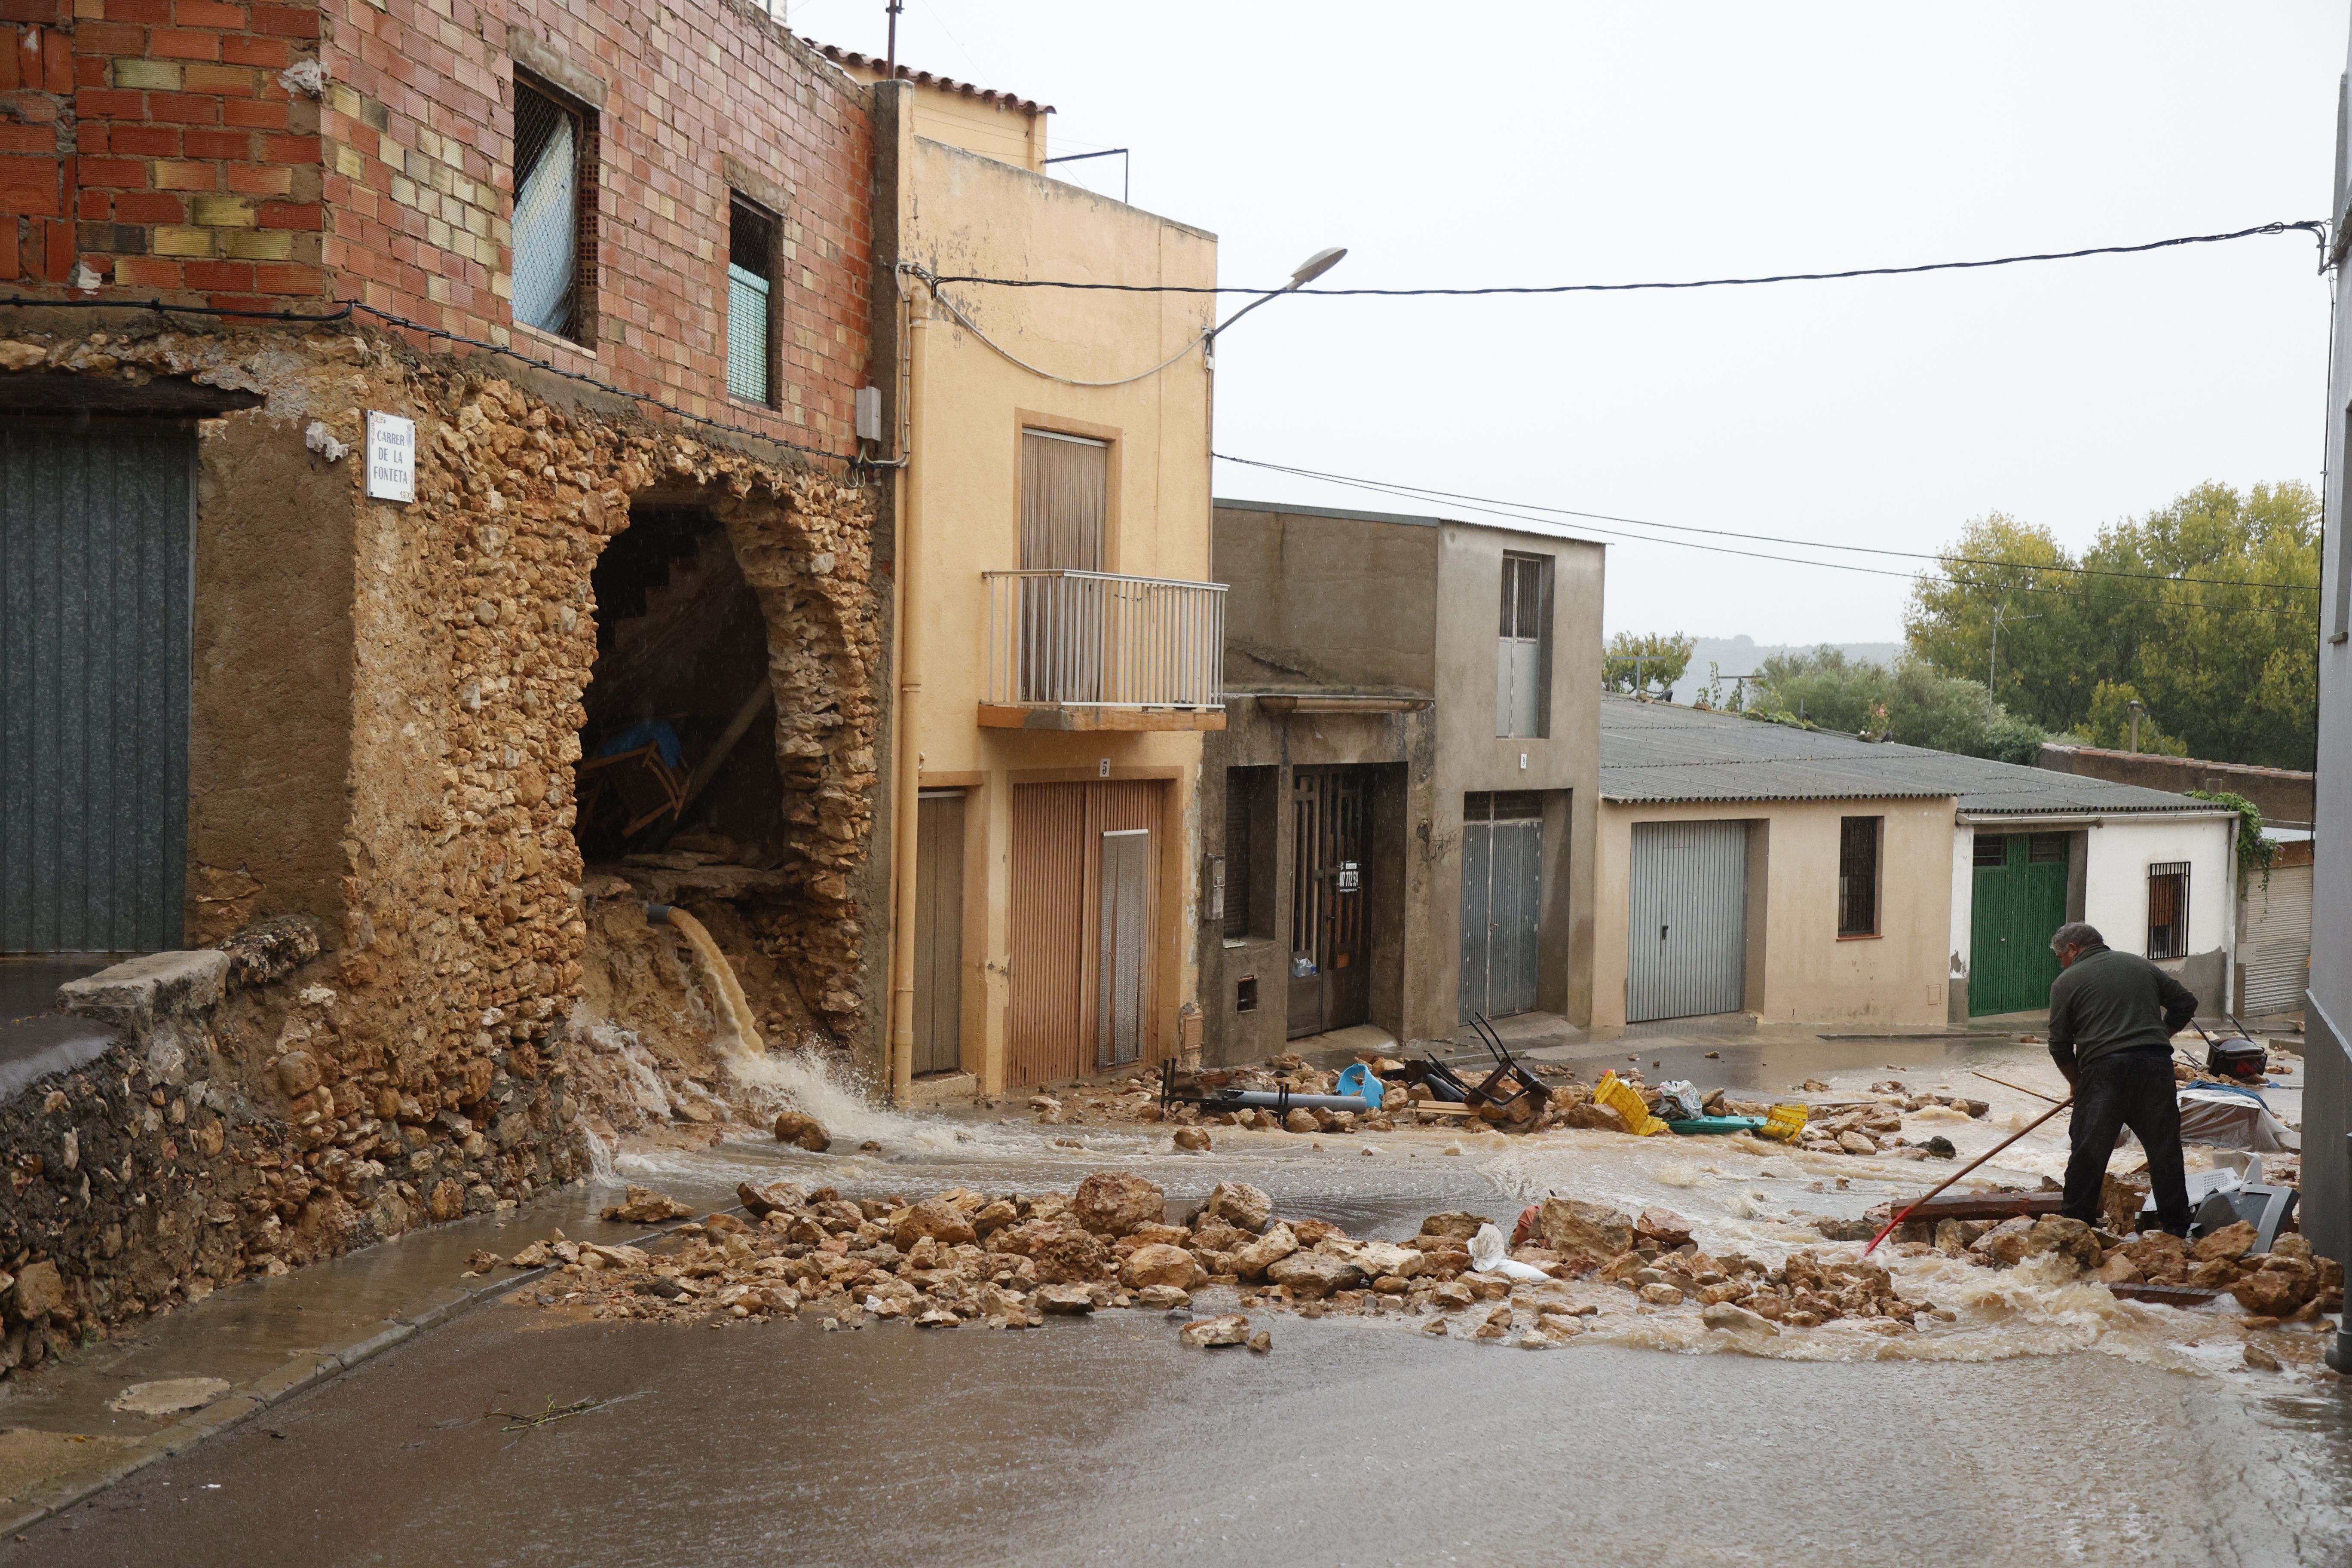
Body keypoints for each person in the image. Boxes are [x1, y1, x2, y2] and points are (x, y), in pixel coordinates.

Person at [2045, 921, 2196, 1236]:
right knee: (2165, 1151)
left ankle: (2076, 1228)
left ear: (2073, 949)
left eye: (2062, 956)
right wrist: (2160, 1035)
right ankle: (2177, 1232)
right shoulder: (2142, 965)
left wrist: (2077, 1082)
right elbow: (2186, 1004)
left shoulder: (2066, 981)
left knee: (2088, 1151)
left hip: (2105, 1072)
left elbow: (2059, 1045)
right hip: (2155, 1067)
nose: (2062, 963)